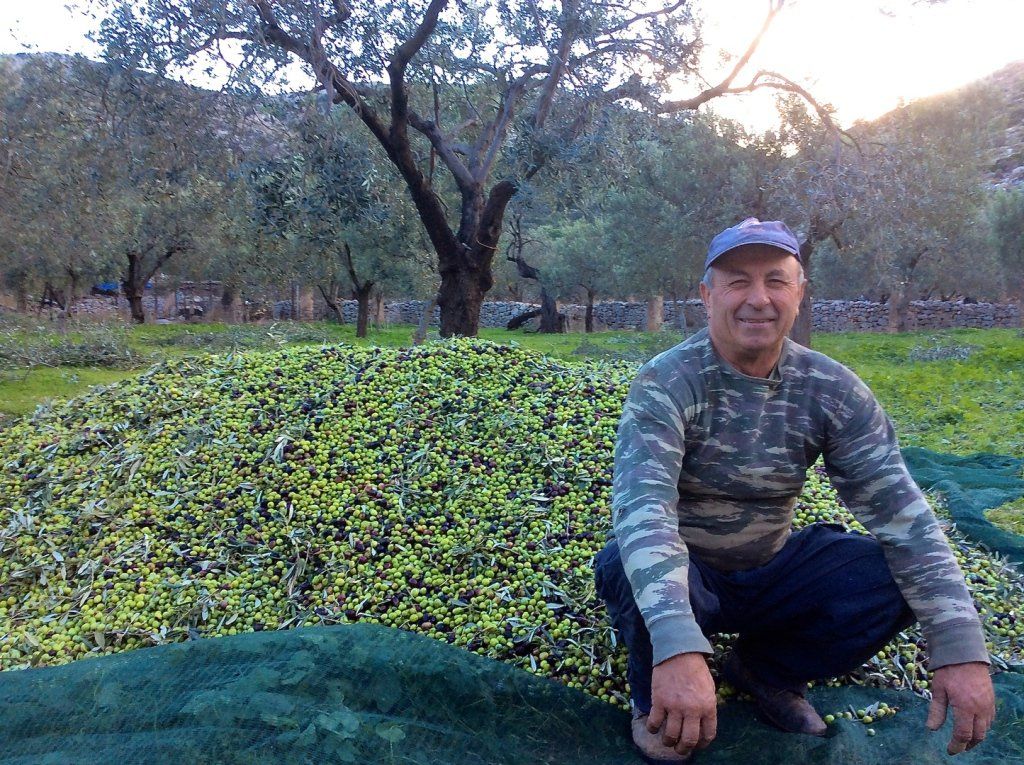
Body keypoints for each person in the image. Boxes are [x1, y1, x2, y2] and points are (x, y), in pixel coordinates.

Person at [594, 218, 996, 764]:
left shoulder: (832, 388)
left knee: (894, 577)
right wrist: (676, 644)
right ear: (707, 296)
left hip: (773, 568)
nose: (758, 299)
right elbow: (645, 510)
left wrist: (961, 646)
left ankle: (764, 671)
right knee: (625, 561)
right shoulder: (668, 382)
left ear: (800, 294)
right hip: (688, 571)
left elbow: (903, 515)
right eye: (738, 281)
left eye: (776, 281)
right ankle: (656, 696)